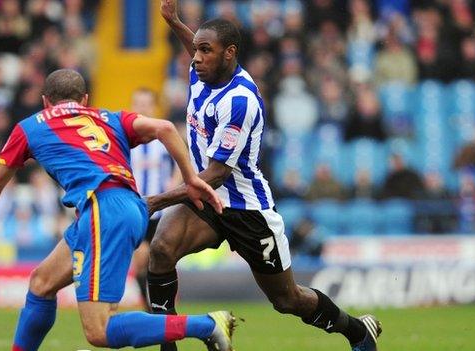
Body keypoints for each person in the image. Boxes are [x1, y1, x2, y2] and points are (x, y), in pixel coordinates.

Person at [146, 2, 382, 351]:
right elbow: (195, 45)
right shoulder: (202, 71)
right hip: (208, 202)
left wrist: (153, 202)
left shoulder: (240, 101)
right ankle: (167, 345)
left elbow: (216, 174)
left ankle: (357, 332)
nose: (196, 58)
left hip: (245, 207)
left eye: (205, 51)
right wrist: (175, 22)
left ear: (230, 54)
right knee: (162, 249)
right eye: (196, 50)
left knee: (287, 299)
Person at [0, 69, 237, 351]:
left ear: (45, 102)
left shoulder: (29, 127)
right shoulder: (111, 118)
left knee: (99, 331)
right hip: (127, 206)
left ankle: (207, 325)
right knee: (42, 283)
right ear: (85, 99)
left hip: (102, 210)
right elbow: (165, 128)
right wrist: (191, 177)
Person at [128, 88, 180, 310]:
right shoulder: (126, 138)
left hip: (161, 210)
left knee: (158, 260)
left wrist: (174, 183)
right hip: (136, 208)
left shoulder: (163, 135)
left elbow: (181, 161)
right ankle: (149, 307)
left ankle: (158, 306)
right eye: (138, 103)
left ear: (153, 106)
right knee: (141, 260)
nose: (142, 107)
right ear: (132, 106)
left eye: (146, 103)